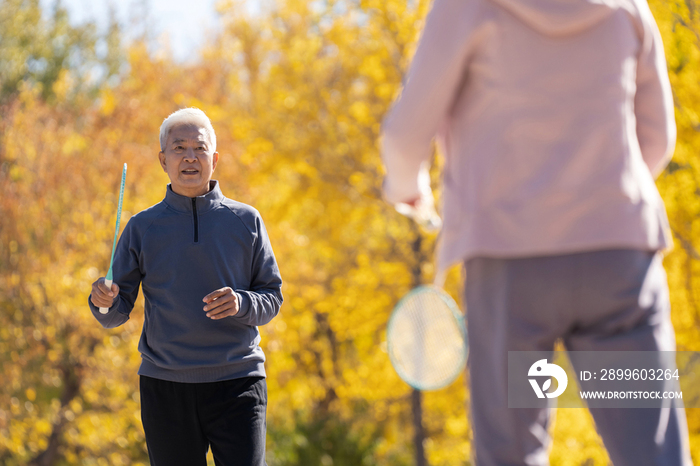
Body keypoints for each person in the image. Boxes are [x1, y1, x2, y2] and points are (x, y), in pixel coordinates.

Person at [380, 0, 693, 465]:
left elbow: (404, 138)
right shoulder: (628, 6)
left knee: (512, 453)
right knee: (652, 451)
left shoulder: (464, 8)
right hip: (619, 266)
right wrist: (600, 197)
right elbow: (658, 136)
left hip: (512, 273)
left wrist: (409, 190)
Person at [89, 108, 282, 466]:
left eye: (200, 148)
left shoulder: (247, 220)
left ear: (215, 158)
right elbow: (114, 312)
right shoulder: (142, 227)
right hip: (165, 387)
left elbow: (272, 297)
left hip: (239, 381)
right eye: (179, 148)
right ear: (163, 160)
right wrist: (102, 301)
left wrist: (241, 303)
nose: (190, 157)